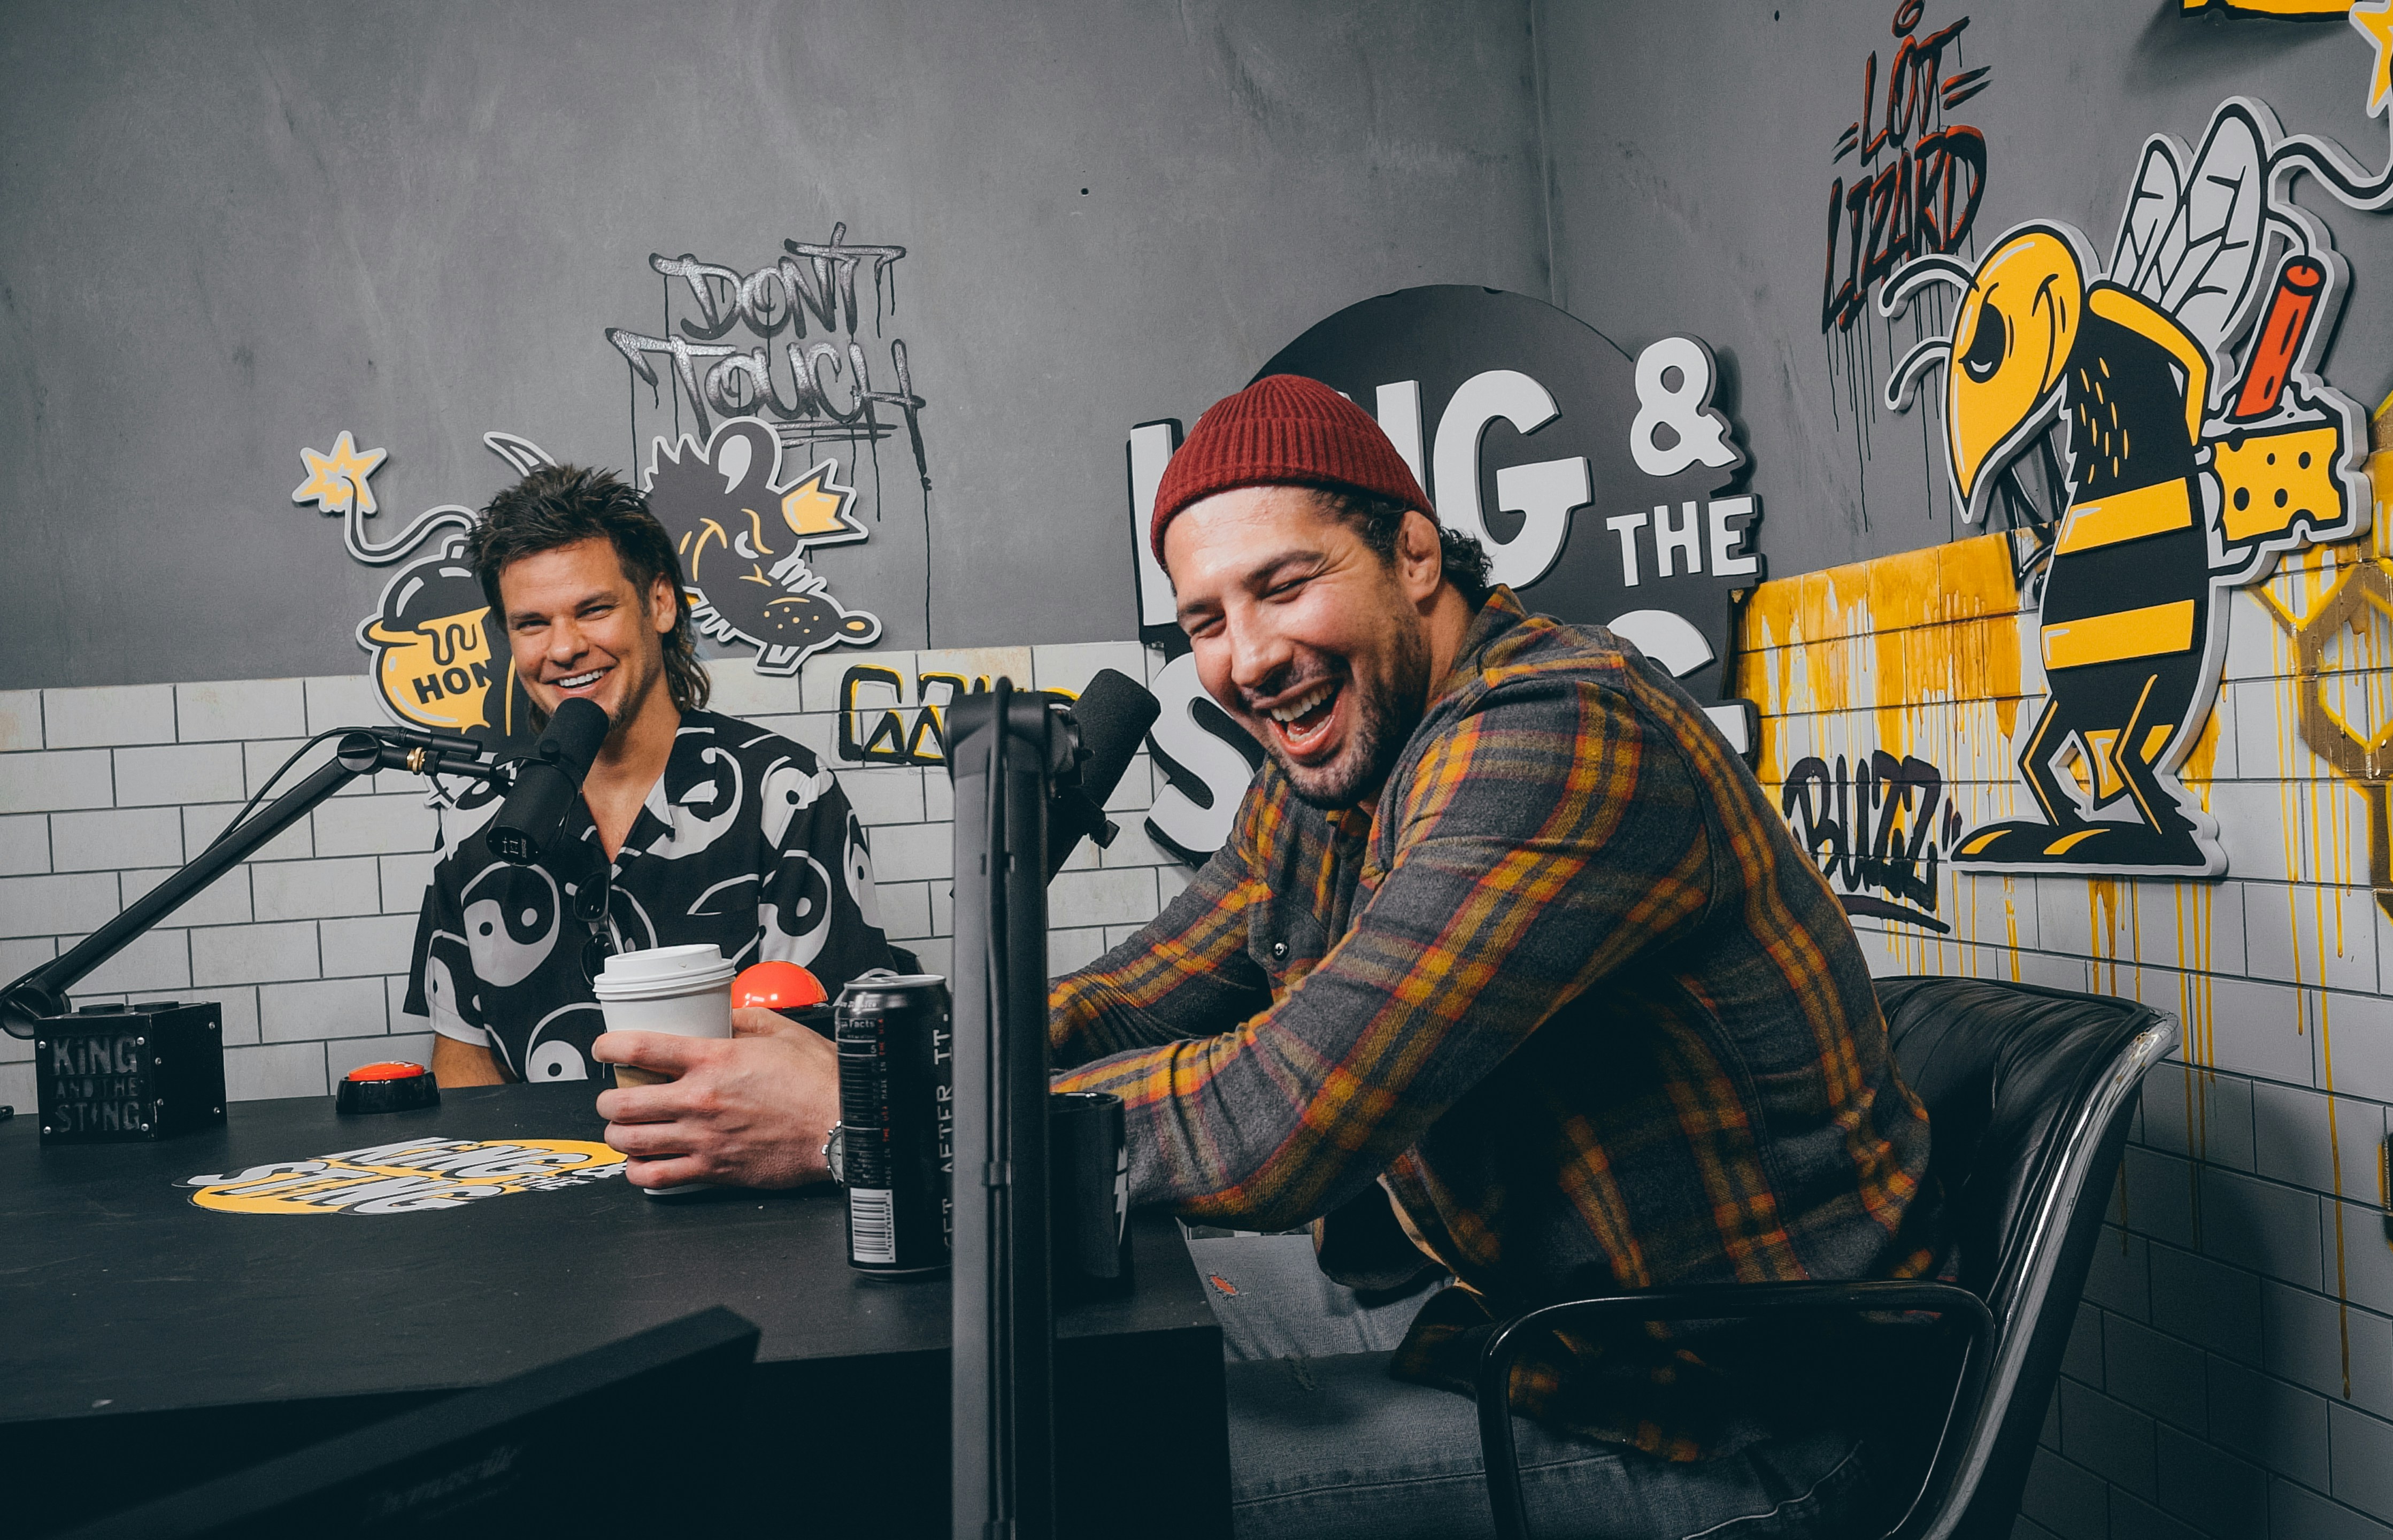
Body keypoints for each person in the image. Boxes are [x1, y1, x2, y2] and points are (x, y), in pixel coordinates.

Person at [597, 378, 1941, 1536]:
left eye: (1284, 586)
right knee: (1070, 1354)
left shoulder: (1555, 734)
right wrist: (873, 1051)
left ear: (1415, 553)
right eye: (1204, 621)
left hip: (1729, 1427)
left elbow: (1277, 1114)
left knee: (1101, 1468)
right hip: (1495, 1326)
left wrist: (867, 1127)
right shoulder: (1336, 769)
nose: (1248, 660)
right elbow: (1132, 995)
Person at [406, 464, 892, 1095]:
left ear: (660, 603)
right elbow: (462, 1058)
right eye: (532, 624)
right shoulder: (479, 817)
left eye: (593, 610)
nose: (563, 648)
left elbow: (827, 1057)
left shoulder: (783, 791)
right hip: (542, 1160)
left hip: (740, 1156)